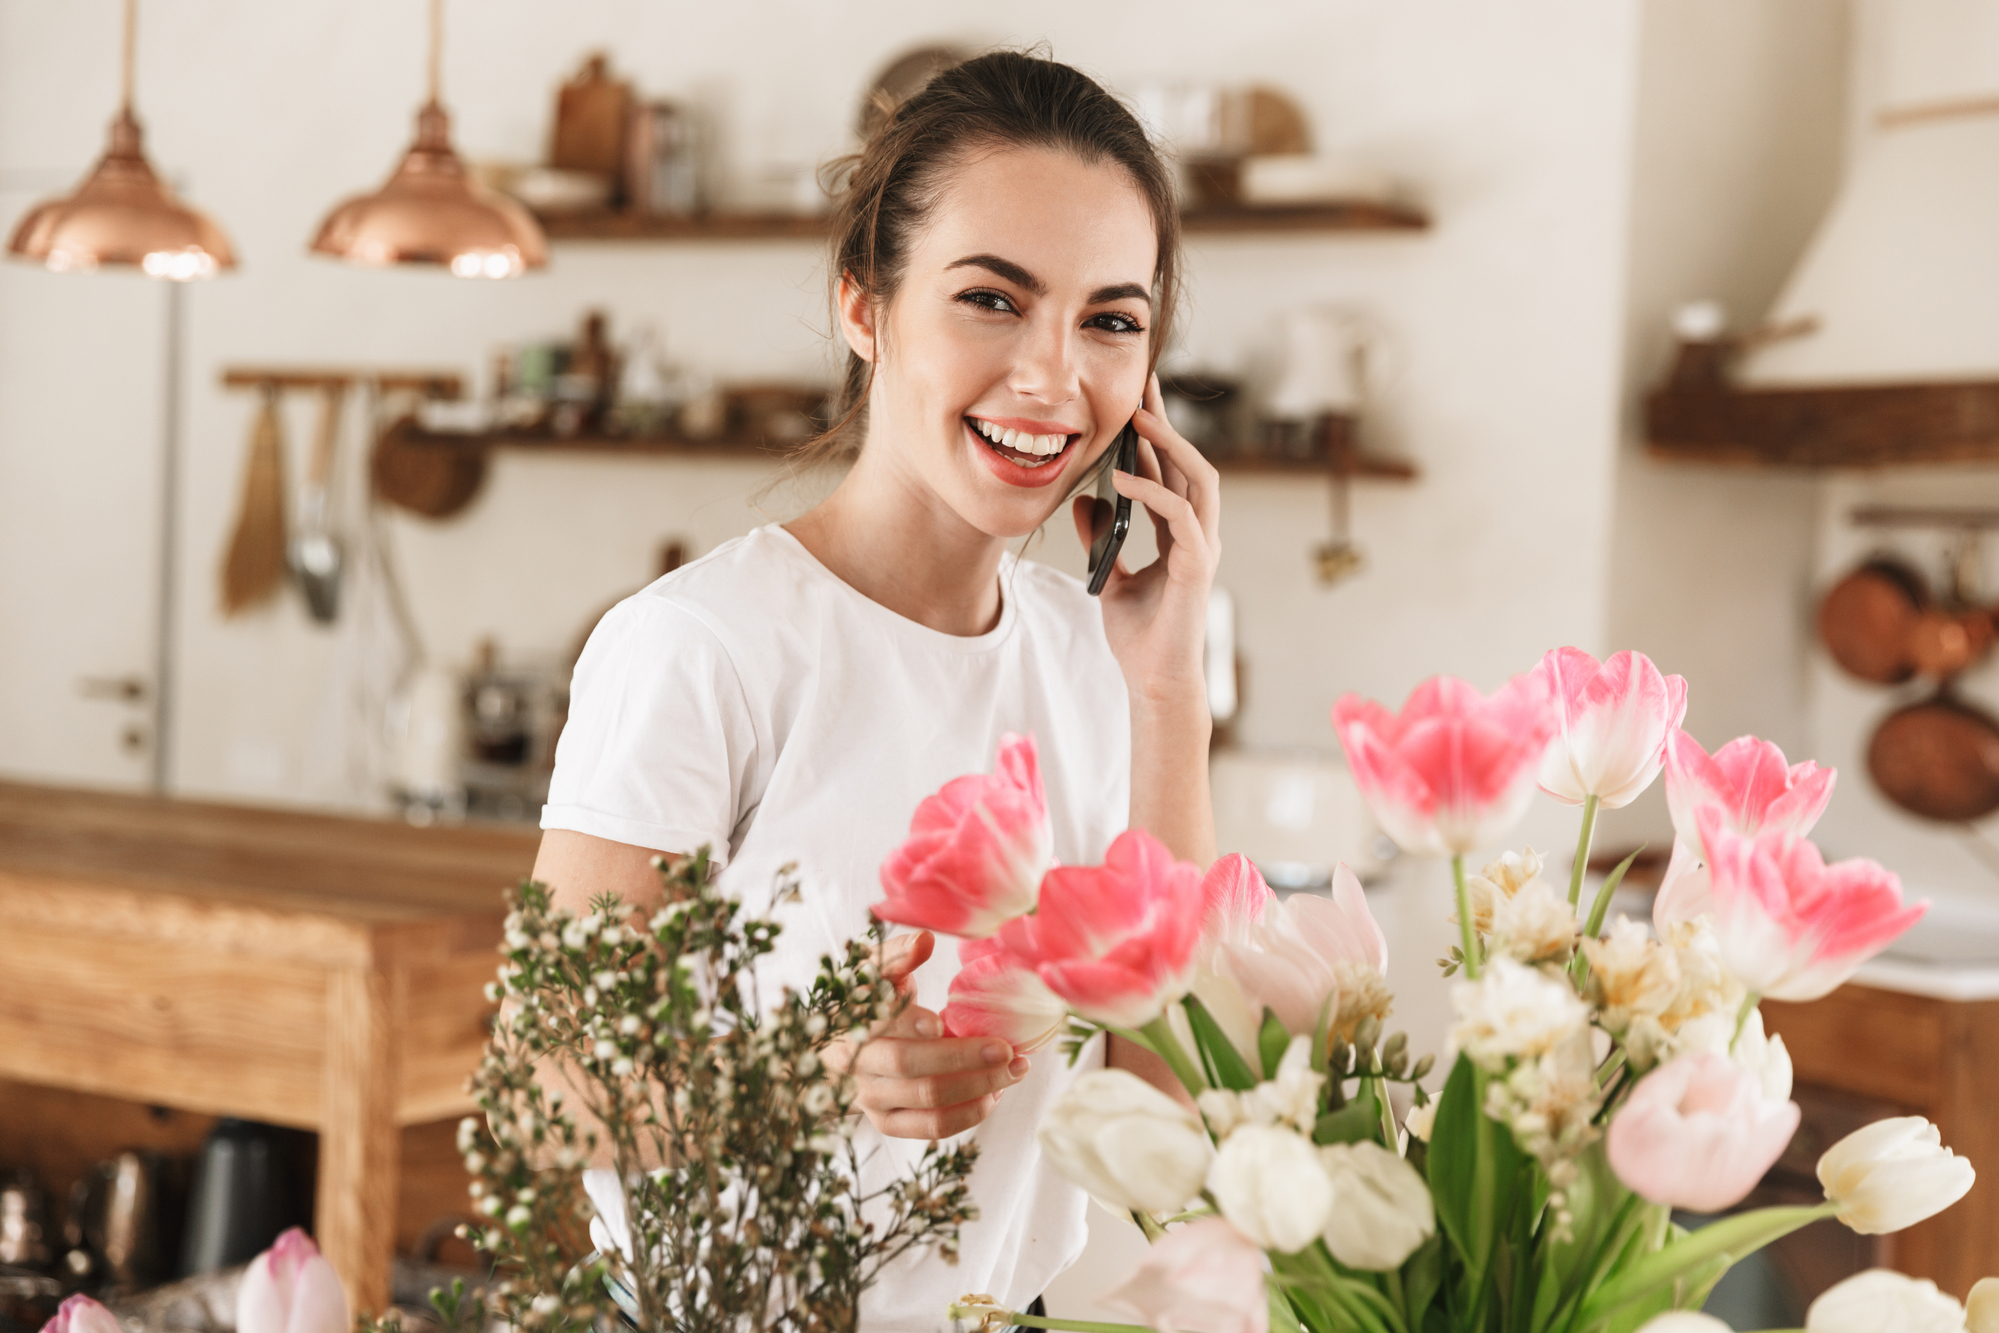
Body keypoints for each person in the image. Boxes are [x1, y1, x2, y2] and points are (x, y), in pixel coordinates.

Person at [533, 49, 1221, 1331]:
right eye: (991, 300)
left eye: (1111, 321)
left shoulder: (1102, 661)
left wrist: (1169, 689)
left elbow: (1169, 1100)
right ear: (865, 307)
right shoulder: (701, 647)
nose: (1053, 378)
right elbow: (544, 1085)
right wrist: (813, 1074)